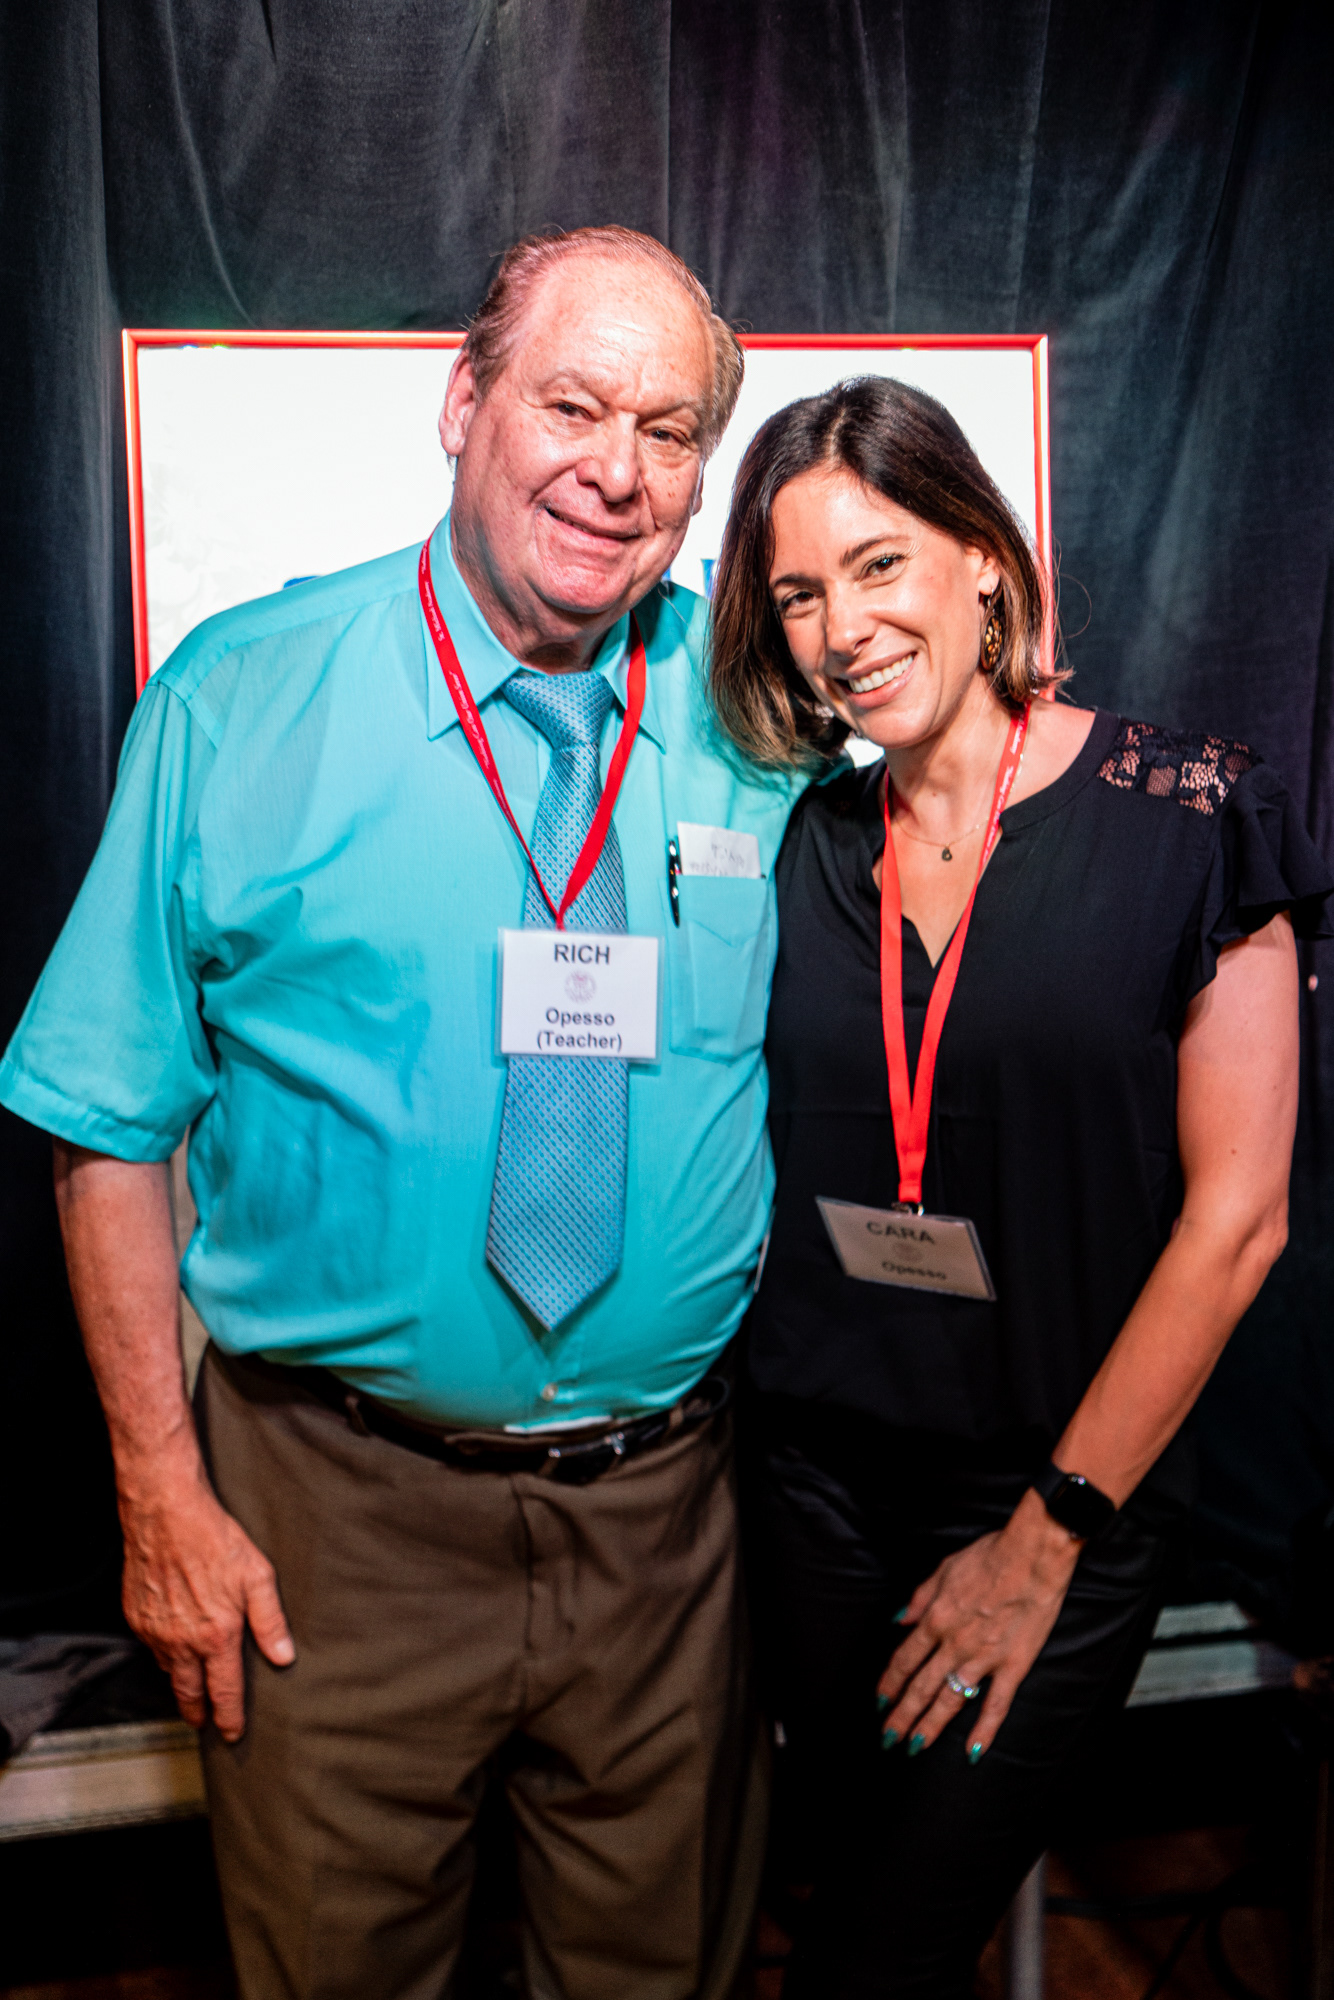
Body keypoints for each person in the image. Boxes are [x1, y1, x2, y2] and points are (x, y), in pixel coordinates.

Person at [0, 226, 803, 2000]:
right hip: (331, 1530)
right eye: (571, 405)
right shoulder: (241, 697)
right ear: (462, 403)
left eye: (669, 432)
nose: (614, 470)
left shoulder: (757, 713)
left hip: (667, 1522)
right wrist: (158, 1496)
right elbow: (104, 1123)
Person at [707, 375, 1334, 1997]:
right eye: (795, 594)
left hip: (1058, 1490)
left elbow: (1237, 1221)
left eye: (877, 563)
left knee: (877, 1952)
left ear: (981, 557)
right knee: (833, 1893)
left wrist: (1044, 1536)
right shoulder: (794, 838)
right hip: (813, 1487)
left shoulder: (1189, 812)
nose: (840, 628)